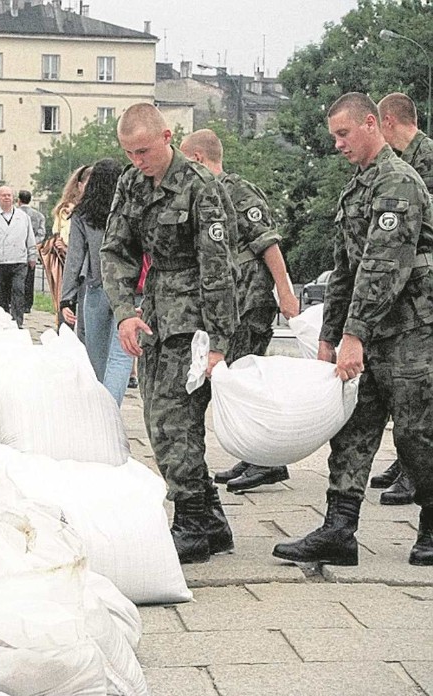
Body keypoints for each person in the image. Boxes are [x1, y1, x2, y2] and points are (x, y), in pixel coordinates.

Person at [272, 92, 433, 568]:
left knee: (416, 434)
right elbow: (344, 270)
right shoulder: (357, 188)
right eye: (333, 137)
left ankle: (431, 526)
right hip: (368, 332)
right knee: (352, 430)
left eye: (343, 134)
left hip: (411, 332)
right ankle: (339, 530)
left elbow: (385, 268)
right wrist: (328, 337)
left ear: (371, 124)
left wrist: (354, 336)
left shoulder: (398, 183)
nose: (338, 144)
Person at [101, 103, 238, 564]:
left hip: (195, 321)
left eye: (142, 150)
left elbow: (218, 268)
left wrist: (220, 342)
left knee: (173, 421)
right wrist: (124, 311)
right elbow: (116, 250)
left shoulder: (202, 187)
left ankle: (194, 521)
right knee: (159, 421)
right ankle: (210, 518)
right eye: (129, 152)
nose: (137, 160)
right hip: (156, 315)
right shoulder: (131, 183)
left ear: (167, 136)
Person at [180, 129, 300, 493]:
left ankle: (269, 460)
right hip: (231, 301)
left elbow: (268, 243)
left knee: (246, 380)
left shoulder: (237, 191)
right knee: (236, 380)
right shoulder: (208, 193)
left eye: (186, 163)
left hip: (250, 300)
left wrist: (285, 290)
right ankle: (256, 456)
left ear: (199, 159)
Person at [367, 92, 433, 505]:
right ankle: (406, 463)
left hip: (425, 289)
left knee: (420, 393)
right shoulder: (400, 164)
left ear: (388, 121)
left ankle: (417, 472)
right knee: (403, 392)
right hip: (408, 290)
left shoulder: (424, 161)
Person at [59, 158, 133, 406]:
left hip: (97, 287)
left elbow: (74, 258)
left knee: (96, 358)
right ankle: (111, 410)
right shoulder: (131, 208)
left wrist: (66, 297)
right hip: (130, 290)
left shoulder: (82, 214)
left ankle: (100, 411)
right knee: (122, 358)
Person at [40, 165, 91, 334]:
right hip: (67, 261)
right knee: (69, 304)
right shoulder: (70, 210)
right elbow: (62, 236)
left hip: (78, 262)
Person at [0, 184, 36, 328]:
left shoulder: (23, 218)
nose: (6, 198)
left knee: (18, 290)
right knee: (2, 294)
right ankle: (3, 322)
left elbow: (30, 238)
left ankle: (17, 322)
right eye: (3, 195)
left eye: (9, 195)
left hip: (19, 261)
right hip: (0, 262)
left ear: (13, 198)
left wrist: (32, 256)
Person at [17, 190, 46, 313]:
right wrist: (33, 243)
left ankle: (16, 302)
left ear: (19, 200)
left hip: (16, 250)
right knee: (29, 278)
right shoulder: (39, 216)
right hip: (31, 251)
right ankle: (27, 305)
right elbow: (42, 234)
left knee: (17, 278)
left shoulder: (14, 214)